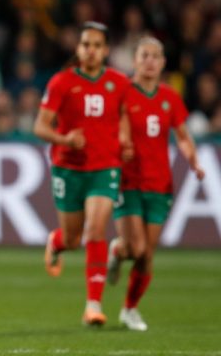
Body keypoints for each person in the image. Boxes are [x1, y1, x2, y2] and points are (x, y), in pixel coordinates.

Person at [34, 21, 132, 326]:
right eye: (86, 45)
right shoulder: (62, 82)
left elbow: (125, 116)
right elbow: (40, 126)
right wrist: (65, 139)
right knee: (74, 238)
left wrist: (125, 141)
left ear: (105, 50)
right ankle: (58, 241)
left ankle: (93, 305)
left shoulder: (119, 83)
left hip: (105, 167)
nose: (91, 51)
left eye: (97, 45)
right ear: (78, 49)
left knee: (96, 231)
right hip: (69, 168)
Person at [107, 37, 205, 331]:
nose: (150, 61)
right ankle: (119, 251)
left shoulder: (169, 97)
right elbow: (108, 129)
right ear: (134, 60)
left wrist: (194, 161)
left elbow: (183, 136)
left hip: (159, 184)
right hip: (128, 182)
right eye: (144, 55)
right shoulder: (122, 93)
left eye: (155, 56)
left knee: (146, 254)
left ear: (163, 63)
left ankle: (129, 309)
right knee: (138, 248)